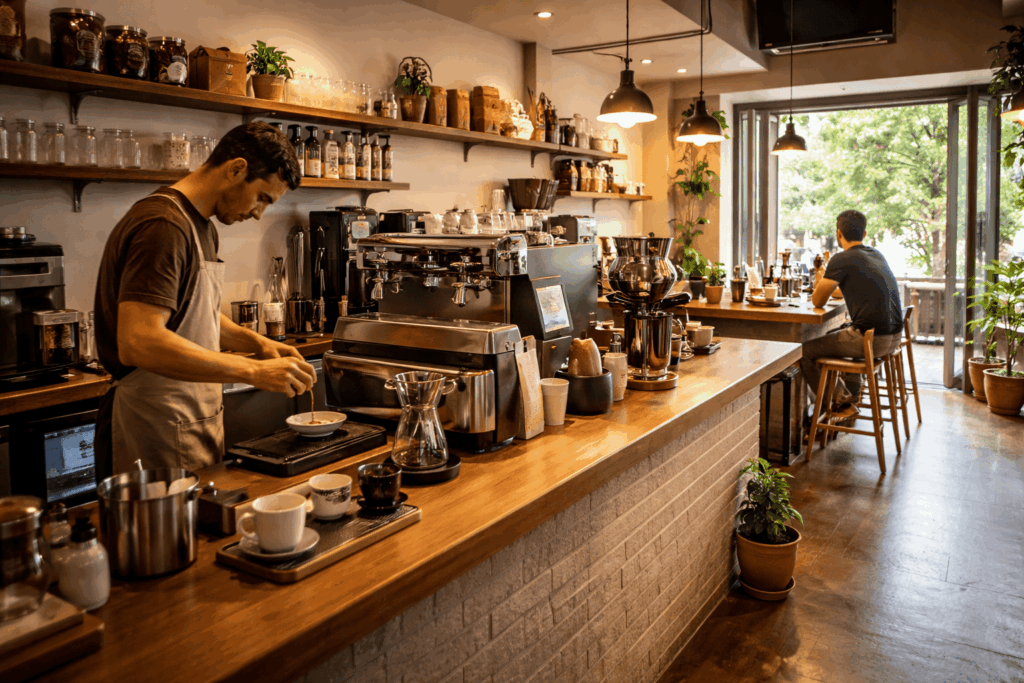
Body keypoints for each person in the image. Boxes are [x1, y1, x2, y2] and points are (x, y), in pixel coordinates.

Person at [94, 122, 315, 477]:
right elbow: (139, 341)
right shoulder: (162, 225)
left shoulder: (201, 226)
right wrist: (253, 370)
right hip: (152, 426)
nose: (259, 213)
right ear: (236, 169)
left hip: (187, 417)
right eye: (261, 197)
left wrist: (258, 344)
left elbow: (198, 315)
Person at [801, 210, 904, 417]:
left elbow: (817, 301)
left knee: (802, 351)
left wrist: (822, 277)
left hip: (871, 342)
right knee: (843, 330)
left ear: (839, 234)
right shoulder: (876, 254)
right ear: (864, 234)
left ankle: (841, 401)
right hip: (894, 338)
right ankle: (849, 397)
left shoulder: (842, 258)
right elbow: (849, 288)